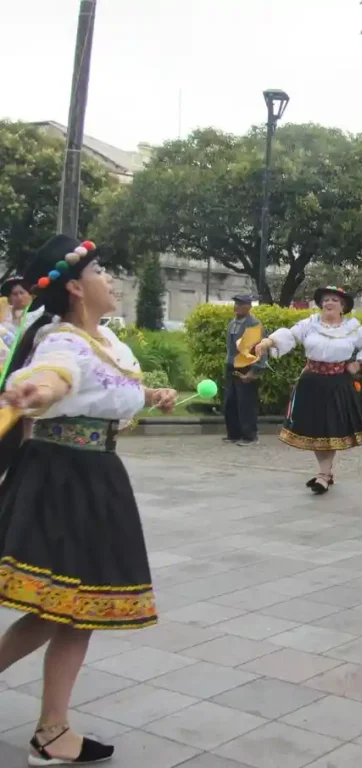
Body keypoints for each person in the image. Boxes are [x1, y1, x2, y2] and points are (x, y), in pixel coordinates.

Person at [0, 235, 176, 765]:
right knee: (60, 608)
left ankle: (53, 730)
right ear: (76, 286)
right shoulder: (61, 342)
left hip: (97, 477)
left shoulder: (108, 342)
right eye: (102, 271)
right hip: (61, 482)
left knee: (81, 612)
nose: (112, 280)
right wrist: (36, 391)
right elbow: (55, 378)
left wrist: (151, 395)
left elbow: (105, 389)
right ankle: (52, 730)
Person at [252, 286, 362, 493]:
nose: (329, 303)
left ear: (343, 306)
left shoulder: (354, 328)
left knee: (330, 429)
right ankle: (325, 473)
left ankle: (323, 474)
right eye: (326, 300)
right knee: (316, 430)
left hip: (338, 384)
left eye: (334, 300)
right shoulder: (310, 324)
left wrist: (358, 365)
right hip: (311, 383)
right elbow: (290, 336)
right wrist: (267, 342)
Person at [223, 295, 266, 446]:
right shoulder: (232, 323)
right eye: (235, 303)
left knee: (246, 403)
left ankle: (250, 436)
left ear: (248, 307)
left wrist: (254, 371)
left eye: (240, 304)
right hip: (231, 366)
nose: (236, 307)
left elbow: (260, 350)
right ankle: (233, 434)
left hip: (246, 366)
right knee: (231, 402)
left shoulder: (253, 325)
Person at [0, 275, 34, 345]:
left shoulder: (37, 313)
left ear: (30, 294)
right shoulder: (4, 309)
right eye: (15, 294)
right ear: (9, 298)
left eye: (22, 293)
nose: (19, 297)